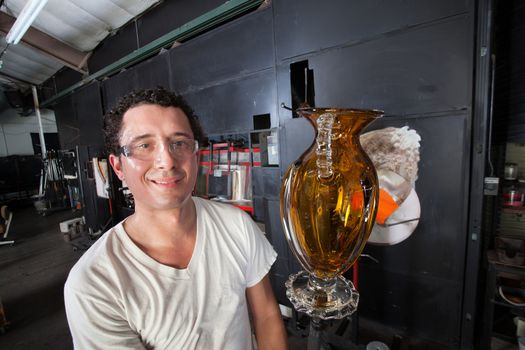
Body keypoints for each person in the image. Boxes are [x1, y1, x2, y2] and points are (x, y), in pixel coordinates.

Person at [64, 87, 288, 349]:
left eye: (179, 143)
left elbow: (267, 316)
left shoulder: (236, 225)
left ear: (195, 155)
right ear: (117, 167)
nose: (166, 161)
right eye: (144, 145)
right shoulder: (94, 284)